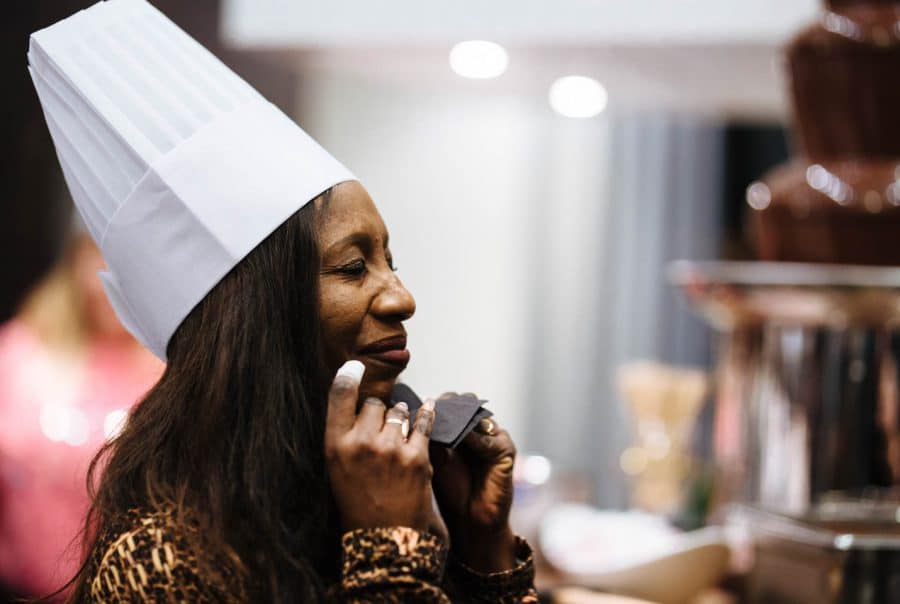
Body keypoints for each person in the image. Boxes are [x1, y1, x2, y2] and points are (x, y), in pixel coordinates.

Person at [29, 1, 538, 601]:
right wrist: (389, 548)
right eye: (354, 267)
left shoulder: (367, 492)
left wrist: (484, 549)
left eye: (390, 262)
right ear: (255, 317)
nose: (402, 298)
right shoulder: (163, 559)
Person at [0, 229, 162, 600]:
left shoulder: (173, 372)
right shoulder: (20, 350)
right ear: (76, 259)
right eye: (98, 255)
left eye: (131, 262)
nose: (112, 278)